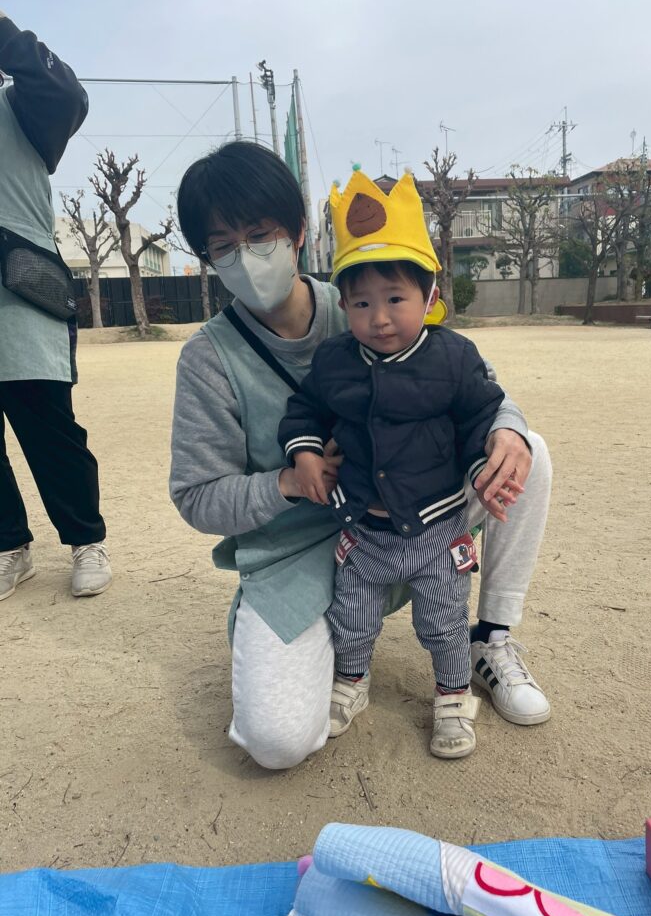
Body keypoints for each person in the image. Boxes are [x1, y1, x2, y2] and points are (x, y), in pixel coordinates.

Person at [171, 141, 552, 770]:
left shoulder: (367, 289)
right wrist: (288, 482)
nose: (245, 256)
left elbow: (474, 388)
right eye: (223, 246)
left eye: (259, 236)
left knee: (526, 451)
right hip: (300, 550)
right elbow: (196, 496)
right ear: (208, 258)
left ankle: (489, 638)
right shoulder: (209, 359)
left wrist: (506, 429)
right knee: (276, 743)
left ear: (298, 233)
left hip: (420, 515)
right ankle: (321, 649)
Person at [277, 170, 510, 759]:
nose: (379, 318)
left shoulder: (453, 357)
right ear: (343, 305)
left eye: (395, 299)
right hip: (363, 527)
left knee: (444, 622)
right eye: (361, 303)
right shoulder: (335, 361)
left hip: (437, 529)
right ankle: (351, 681)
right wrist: (304, 451)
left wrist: (485, 467)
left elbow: (481, 416)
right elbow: (304, 410)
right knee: (352, 616)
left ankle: (453, 696)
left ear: (428, 296)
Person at [0, 10, 112, 601]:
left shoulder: (20, 105)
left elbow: (67, 93)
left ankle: (86, 540)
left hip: (20, 289)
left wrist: (3, 30)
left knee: (50, 428)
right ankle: (8, 546)